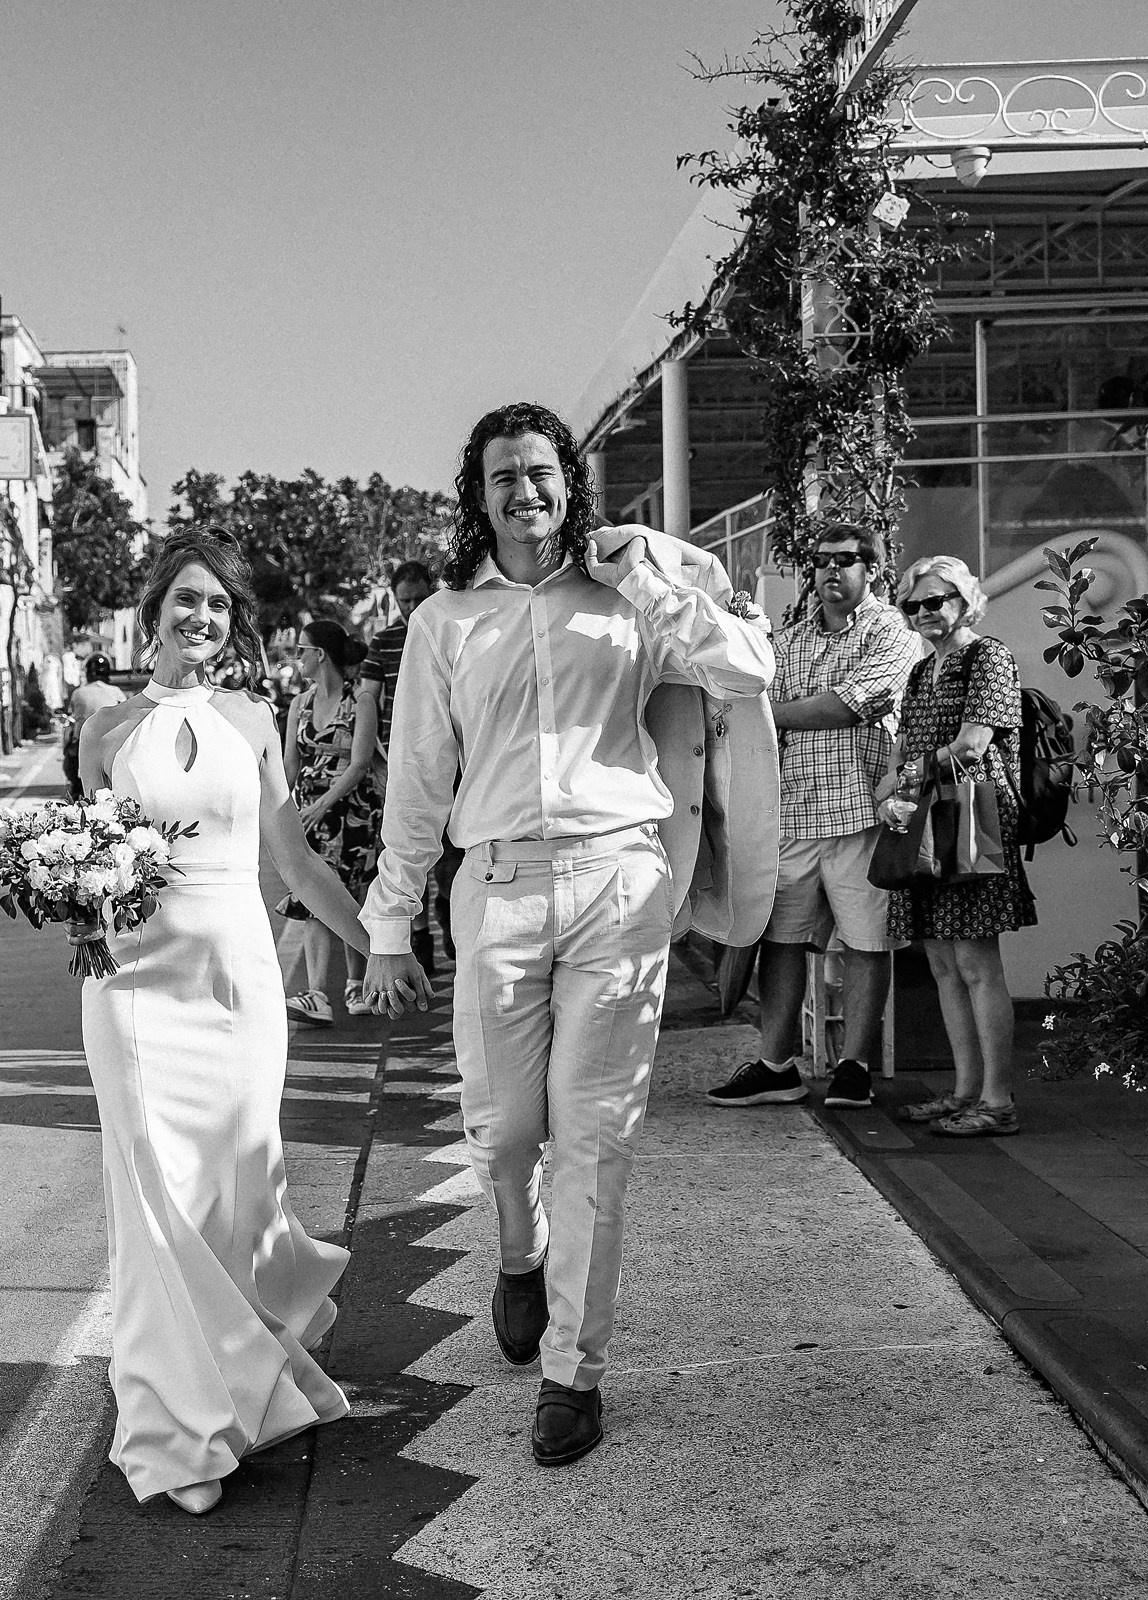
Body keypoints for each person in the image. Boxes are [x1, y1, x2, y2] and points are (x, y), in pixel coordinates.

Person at [362, 402, 773, 1467]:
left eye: (541, 472)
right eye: (503, 476)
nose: (525, 492)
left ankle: (573, 1374)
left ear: (569, 483)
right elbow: (417, 778)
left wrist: (646, 577)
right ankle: (518, 1248)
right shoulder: (447, 619)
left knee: (595, 1139)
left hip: (618, 881)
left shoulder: (630, 594)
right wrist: (389, 920)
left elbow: (745, 672)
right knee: (502, 1133)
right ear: (478, 493)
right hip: (495, 884)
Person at [74, 529, 374, 1515]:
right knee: (156, 1196)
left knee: (239, 1191)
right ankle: (177, 1422)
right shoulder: (104, 729)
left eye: (218, 606)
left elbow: (290, 860)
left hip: (238, 983)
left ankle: (247, 1389)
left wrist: (377, 942)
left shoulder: (254, 718)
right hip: (132, 985)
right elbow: (87, 862)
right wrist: (79, 907)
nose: (201, 618)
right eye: (186, 600)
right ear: (155, 605)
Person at [709, 523, 920, 1112]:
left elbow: (848, 705)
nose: (830, 570)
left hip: (859, 813)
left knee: (865, 942)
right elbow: (743, 694)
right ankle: (778, 1065)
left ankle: (854, 1066)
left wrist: (769, 715)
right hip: (793, 813)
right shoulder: (792, 637)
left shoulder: (893, 634)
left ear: (872, 568)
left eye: (845, 560)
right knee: (782, 941)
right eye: (821, 560)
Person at [873, 554, 1035, 1137]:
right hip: (926, 823)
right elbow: (904, 750)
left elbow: (972, 745)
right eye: (912, 605)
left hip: (972, 821)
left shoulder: (986, 657)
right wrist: (894, 782)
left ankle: (997, 1100)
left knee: (974, 961)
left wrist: (906, 776)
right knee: (942, 962)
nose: (922, 613)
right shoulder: (922, 672)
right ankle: (966, 1090)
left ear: (964, 601)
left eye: (935, 601)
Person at [281, 617, 381, 1025]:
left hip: (353, 811)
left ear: (318, 655)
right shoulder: (299, 704)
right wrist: (274, 811)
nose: (297, 659)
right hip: (310, 815)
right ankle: (318, 992)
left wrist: (323, 803)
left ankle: (357, 982)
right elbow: (289, 766)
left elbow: (359, 764)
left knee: (351, 896)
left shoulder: (361, 702)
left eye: (301, 650)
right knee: (314, 898)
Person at [355, 561, 453, 965]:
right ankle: (415, 941)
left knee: (450, 851)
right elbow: (367, 701)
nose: (412, 608)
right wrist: (373, 758)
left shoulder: (447, 627)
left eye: (419, 599)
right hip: (398, 761)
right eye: (404, 601)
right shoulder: (385, 641)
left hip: (450, 760)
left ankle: (448, 918)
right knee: (400, 850)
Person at [63, 653, 127, 799]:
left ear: (88, 672)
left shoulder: (78, 693)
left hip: (82, 744)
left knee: (72, 771)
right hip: (112, 744)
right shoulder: (117, 692)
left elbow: (72, 714)